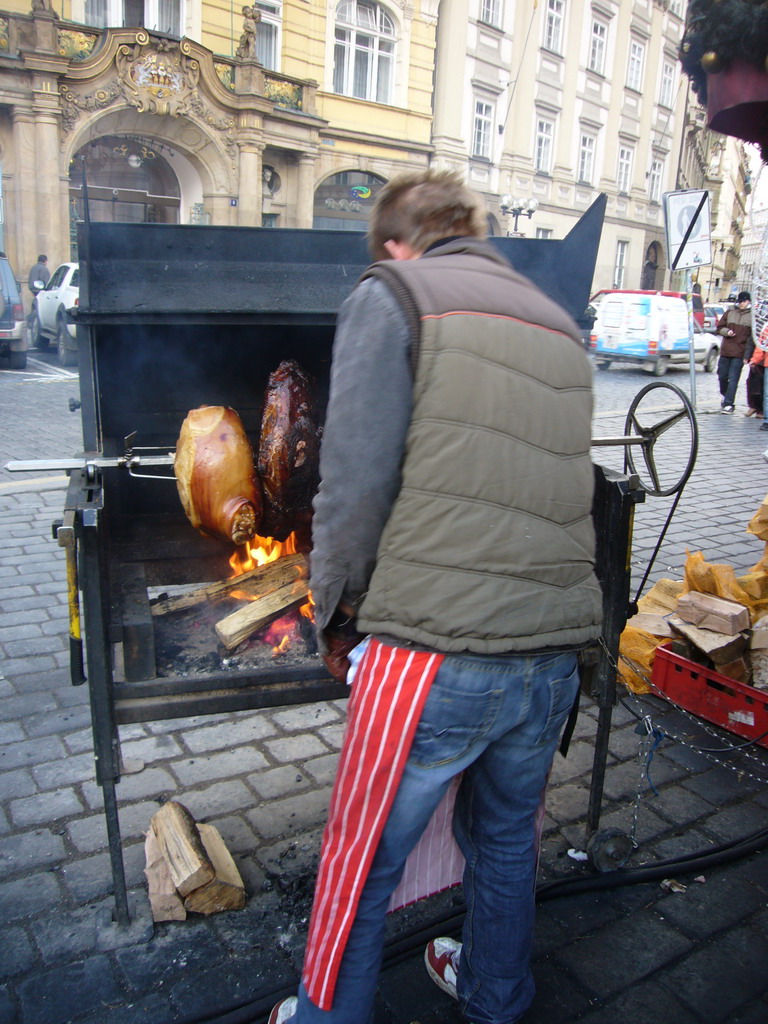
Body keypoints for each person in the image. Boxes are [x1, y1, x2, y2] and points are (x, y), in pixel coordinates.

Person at [269, 170, 602, 1024]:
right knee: (503, 841)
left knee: (364, 856)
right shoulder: (561, 324)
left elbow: (352, 484)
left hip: (434, 660)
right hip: (554, 652)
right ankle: (496, 993)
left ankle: (324, 1017)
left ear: (394, 242)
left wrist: (334, 616)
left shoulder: (395, 294)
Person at [716, 291, 754, 414]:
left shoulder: (752, 316)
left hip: (740, 352)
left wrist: (747, 356)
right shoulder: (730, 312)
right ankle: (725, 395)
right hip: (726, 350)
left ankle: (728, 403)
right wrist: (726, 332)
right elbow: (719, 327)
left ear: (748, 301)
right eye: (740, 301)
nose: (741, 303)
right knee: (722, 376)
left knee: (733, 379)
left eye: (744, 301)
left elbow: (751, 339)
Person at [27, 254, 49, 326]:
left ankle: (31, 320)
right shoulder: (43, 269)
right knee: (40, 308)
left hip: (33, 289)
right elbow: (46, 281)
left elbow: (30, 279)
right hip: (41, 290)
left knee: (36, 306)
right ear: (45, 261)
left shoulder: (33, 268)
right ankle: (31, 319)